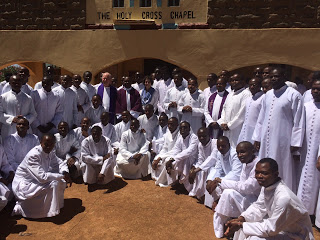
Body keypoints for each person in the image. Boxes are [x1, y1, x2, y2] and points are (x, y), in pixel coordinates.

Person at [224, 158, 314, 240]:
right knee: (244, 228)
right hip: (281, 230)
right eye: (257, 172)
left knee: (254, 238)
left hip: (295, 236)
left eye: (264, 173)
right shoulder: (267, 186)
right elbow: (258, 207)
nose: (259, 176)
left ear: (275, 174)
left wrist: (241, 225)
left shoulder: (284, 198)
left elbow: (271, 229)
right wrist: (241, 219)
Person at [252, 67, 304, 192]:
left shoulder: (293, 95)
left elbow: (299, 120)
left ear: (284, 76)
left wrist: (295, 143)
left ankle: (283, 198)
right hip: (266, 139)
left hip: (283, 141)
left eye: (277, 76)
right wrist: (257, 138)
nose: (273, 79)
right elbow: (261, 118)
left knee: (282, 168)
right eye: (271, 76)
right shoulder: (268, 95)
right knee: (264, 167)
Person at [12, 134, 72, 219]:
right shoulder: (34, 155)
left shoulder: (50, 152)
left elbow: (59, 163)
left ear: (54, 145)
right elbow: (42, 178)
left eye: (51, 145)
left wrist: (65, 172)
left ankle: (55, 207)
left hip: (35, 179)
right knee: (54, 183)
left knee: (60, 182)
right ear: (41, 143)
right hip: (24, 184)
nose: (48, 147)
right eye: (46, 144)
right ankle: (41, 211)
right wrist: (61, 176)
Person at [213, 141, 260, 238]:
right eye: (238, 153)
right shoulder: (246, 162)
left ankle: (229, 225)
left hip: (258, 202)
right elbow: (241, 184)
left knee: (229, 192)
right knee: (227, 193)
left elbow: (246, 187)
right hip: (248, 196)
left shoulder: (258, 165)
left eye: (242, 152)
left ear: (252, 151)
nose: (239, 155)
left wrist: (222, 182)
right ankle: (225, 223)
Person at [297, 79, 320, 216]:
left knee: (314, 180)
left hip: (317, 152)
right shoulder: (305, 106)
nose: (316, 92)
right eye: (314, 89)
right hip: (304, 151)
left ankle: (313, 214)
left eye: (319, 89)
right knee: (302, 177)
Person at [157, 121, 198, 188]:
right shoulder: (180, 138)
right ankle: (174, 181)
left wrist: (174, 159)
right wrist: (171, 159)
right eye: (181, 128)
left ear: (189, 129)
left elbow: (189, 151)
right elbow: (176, 150)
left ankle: (185, 185)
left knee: (185, 159)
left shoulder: (194, 137)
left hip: (193, 159)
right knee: (168, 160)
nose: (183, 129)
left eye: (185, 128)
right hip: (181, 157)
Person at [205, 136, 242, 208]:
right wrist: (210, 180)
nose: (220, 148)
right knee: (210, 182)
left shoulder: (235, 154)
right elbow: (218, 168)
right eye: (218, 146)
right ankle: (216, 204)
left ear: (228, 144)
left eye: (223, 146)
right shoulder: (219, 153)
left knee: (219, 185)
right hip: (226, 177)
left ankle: (223, 206)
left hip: (236, 180)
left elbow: (236, 173)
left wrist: (218, 181)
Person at [217, 73, 252, 147]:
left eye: (236, 80)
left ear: (243, 82)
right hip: (226, 128)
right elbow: (224, 109)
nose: (234, 82)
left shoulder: (246, 94)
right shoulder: (230, 94)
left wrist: (229, 125)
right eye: (232, 80)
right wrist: (223, 122)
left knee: (236, 148)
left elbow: (242, 113)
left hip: (237, 129)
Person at [0, 75, 37, 140]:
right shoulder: (3, 97)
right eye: (14, 82)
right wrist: (12, 119)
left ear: (21, 83)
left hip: (25, 129)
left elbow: (33, 114)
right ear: (10, 83)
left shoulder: (28, 98)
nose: (17, 84)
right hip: (9, 129)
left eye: (19, 82)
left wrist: (23, 120)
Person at [187, 127, 218, 200]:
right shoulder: (200, 145)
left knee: (206, 170)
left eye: (204, 136)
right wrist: (194, 169)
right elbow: (200, 160)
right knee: (197, 170)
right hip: (205, 166)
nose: (202, 138)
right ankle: (199, 193)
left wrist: (197, 170)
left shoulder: (215, 143)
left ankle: (206, 196)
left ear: (209, 135)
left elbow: (212, 158)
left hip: (215, 167)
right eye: (200, 136)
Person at [151, 117, 180, 182]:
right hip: (166, 154)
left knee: (167, 161)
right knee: (155, 159)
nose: (170, 126)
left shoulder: (180, 135)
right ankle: (158, 178)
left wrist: (161, 157)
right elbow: (165, 148)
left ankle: (171, 181)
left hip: (175, 155)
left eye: (172, 124)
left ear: (177, 125)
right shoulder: (167, 134)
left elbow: (176, 150)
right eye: (169, 124)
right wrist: (159, 156)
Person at [238, 78, 264, 144]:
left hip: (256, 131)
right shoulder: (249, 99)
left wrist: (258, 137)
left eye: (254, 85)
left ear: (259, 86)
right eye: (250, 85)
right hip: (245, 130)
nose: (252, 87)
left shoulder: (263, 98)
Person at [0, 144, 14, 212]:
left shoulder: (0, 147)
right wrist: (1, 179)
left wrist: (10, 171)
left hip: (2, 179)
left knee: (13, 185)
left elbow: (4, 164)